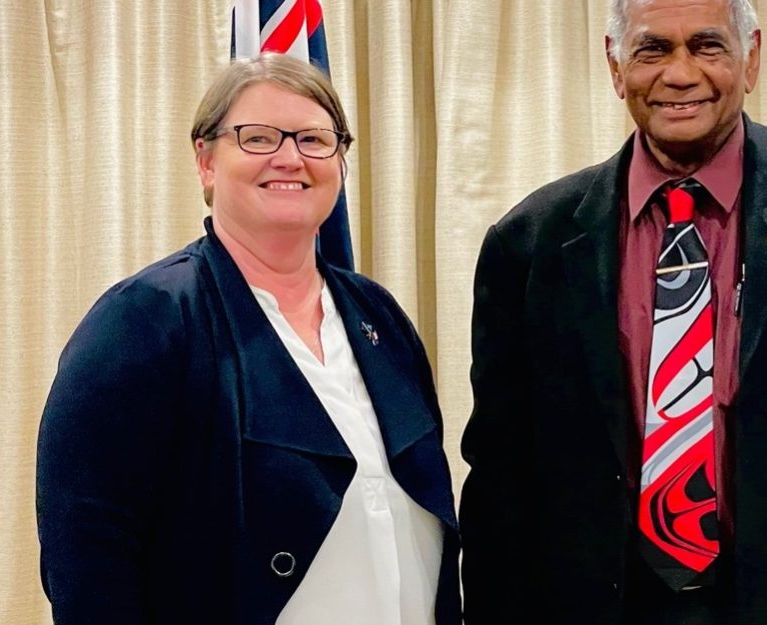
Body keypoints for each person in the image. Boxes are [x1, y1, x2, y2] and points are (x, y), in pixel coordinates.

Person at [459, 0, 767, 623]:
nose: (680, 73)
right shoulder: (528, 241)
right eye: (652, 50)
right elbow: (500, 481)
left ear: (750, 58)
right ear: (616, 67)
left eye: (706, 45)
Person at [37, 54, 460, 625]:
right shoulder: (144, 321)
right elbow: (88, 557)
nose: (290, 157)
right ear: (206, 161)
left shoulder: (377, 315)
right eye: (258, 137)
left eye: (315, 139)